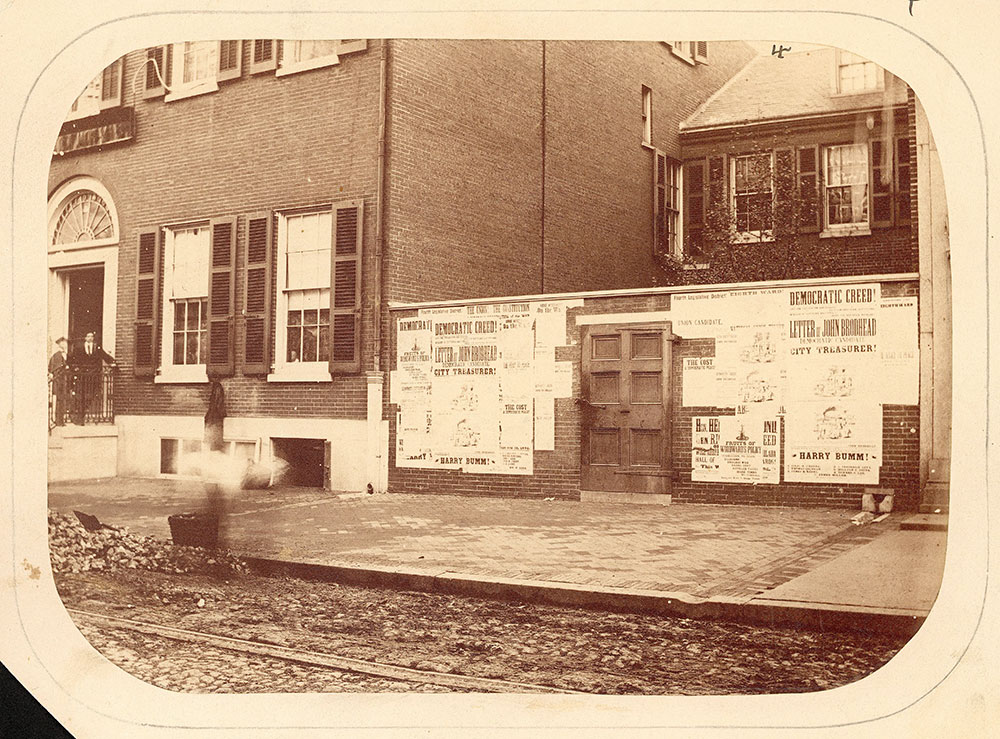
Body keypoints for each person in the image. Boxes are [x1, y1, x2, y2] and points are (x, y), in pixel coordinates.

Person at [69, 331, 115, 424]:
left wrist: (112, 362)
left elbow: (104, 355)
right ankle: (79, 416)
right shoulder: (79, 347)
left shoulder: (96, 347)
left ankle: (85, 412)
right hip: (82, 375)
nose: (90, 338)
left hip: (93, 374)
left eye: (91, 336)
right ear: (85, 338)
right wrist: (75, 368)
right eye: (88, 336)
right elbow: (72, 358)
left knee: (92, 394)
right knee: (81, 394)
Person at [47, 337, 69, 427]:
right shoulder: (56, 356)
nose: (65, 344)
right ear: (59, 344)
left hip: (66, 380)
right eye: (63, 343)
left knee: (64, 399)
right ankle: (58, 421)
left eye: (65, 343)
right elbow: (52, 368)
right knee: (59, 400)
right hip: (59, 381)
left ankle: (62, 419)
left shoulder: (67, 354)